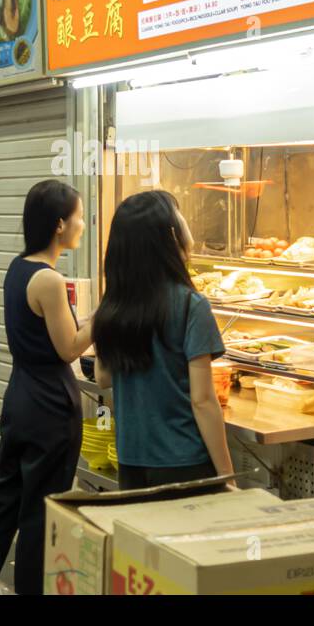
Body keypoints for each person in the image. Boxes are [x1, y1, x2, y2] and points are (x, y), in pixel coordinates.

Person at [0, 180, 93, 596]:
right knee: (40, 515)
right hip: (50, 406)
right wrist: (103, 317)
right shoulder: (49, 281)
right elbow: (69, 348)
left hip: (19, 399)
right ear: (59, 225)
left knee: (3, 506)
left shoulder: (17, 269)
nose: (83, 224)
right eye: (79, 216)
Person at [92, 190, 235, 490]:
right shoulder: (190, 305)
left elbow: (102, 377)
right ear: (171, 235)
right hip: (184, 463)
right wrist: (227, 475)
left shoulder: (114, 304)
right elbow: (203, 400)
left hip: (131, 462)